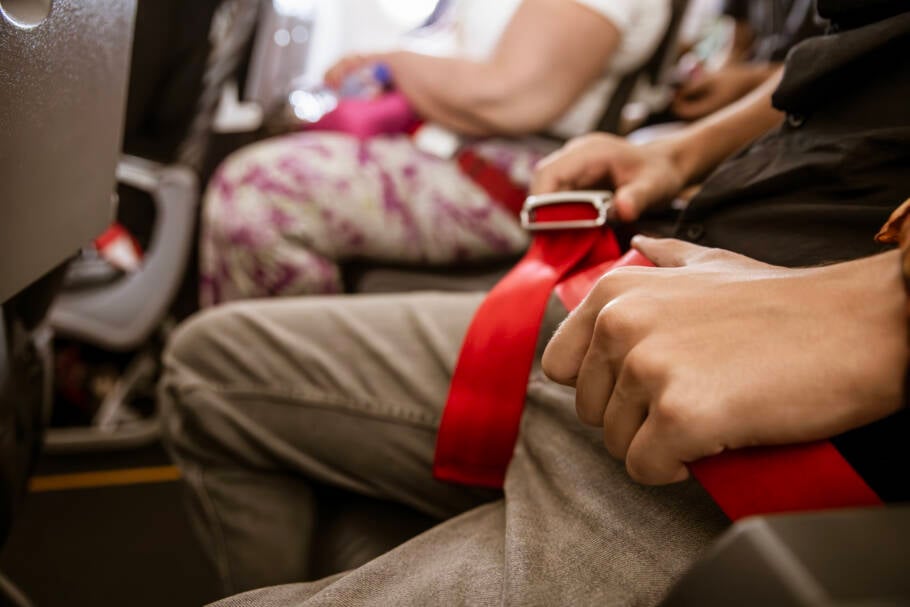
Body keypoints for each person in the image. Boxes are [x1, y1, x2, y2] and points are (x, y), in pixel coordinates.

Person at [159, 1, 910, 604]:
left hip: (773, 441)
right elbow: (859, 66)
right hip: (653, 286)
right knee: (203, 367)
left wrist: (887, 308)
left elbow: (515, 92)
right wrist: (679, 150)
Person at [198, 0, 671, 305]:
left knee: (258, 190)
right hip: (461, 148)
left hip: (527, 174)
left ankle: (269, 394)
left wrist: (396, 64)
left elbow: (515, 95)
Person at [670, 0, 824, 121]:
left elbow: (831, 67)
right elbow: (737, 45)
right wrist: (712, 77)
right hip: (752, 95)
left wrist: (745, 81)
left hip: (805, 107)